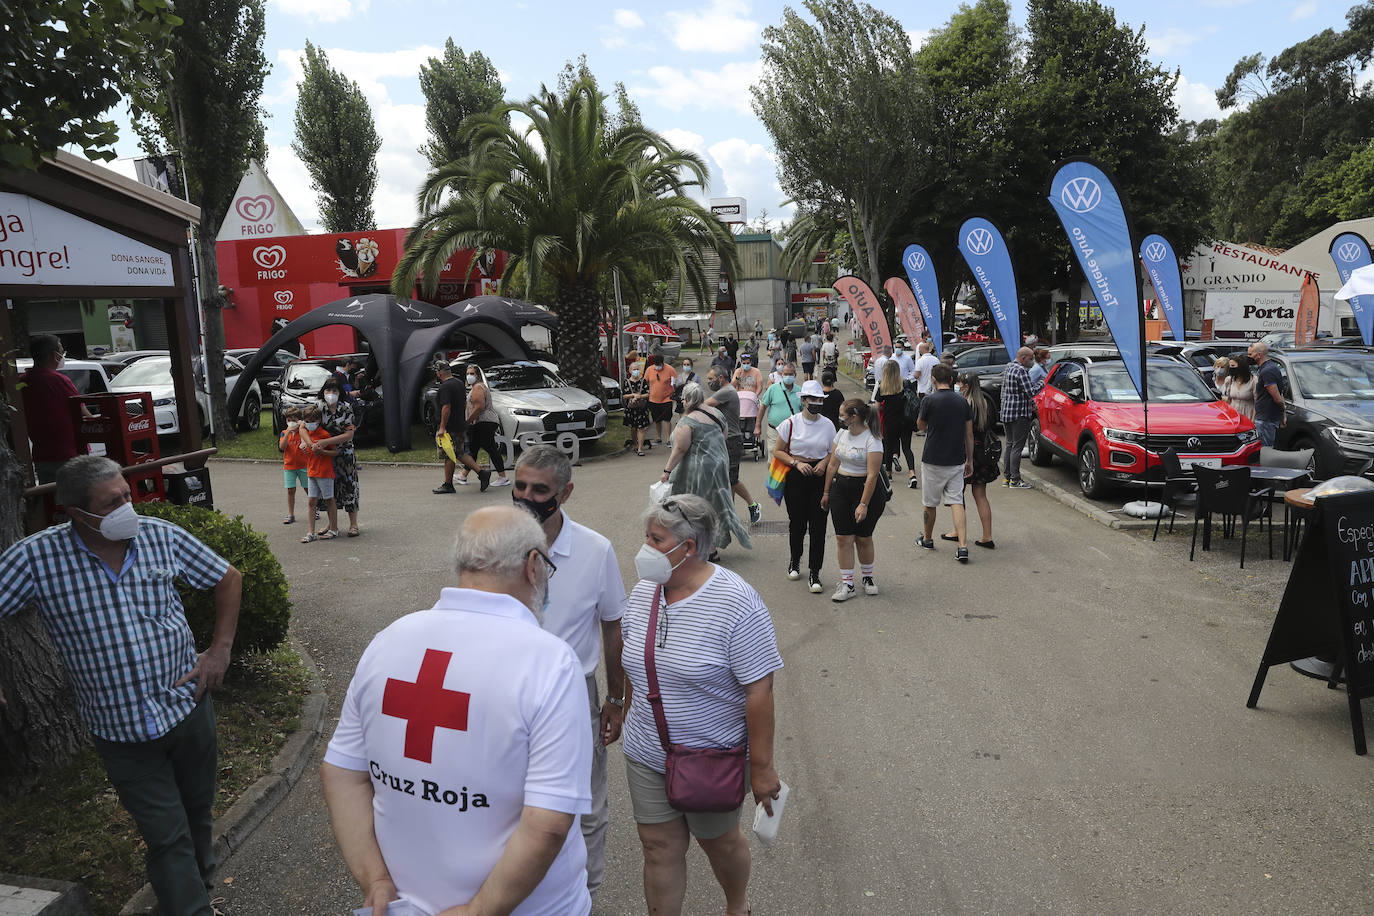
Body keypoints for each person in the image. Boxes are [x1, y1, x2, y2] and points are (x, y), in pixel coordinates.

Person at [322, 506, 593, 916]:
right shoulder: (549, 661)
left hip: (403, 904)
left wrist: (376, 880)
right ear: (534, 566)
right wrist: (478, 911)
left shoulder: (390, 640)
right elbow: (549, 820)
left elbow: (342, 771)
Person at [0, 455, 241, 915]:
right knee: (166, 834)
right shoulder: (37, 558)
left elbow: (228, 577)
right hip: (121, 729)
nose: (128, 508)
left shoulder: (158, 536)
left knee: (197, 814)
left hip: (188, 708)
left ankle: (200, 884)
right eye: (113, 503)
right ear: (74, 512)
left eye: (126, 495)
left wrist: (220, 650)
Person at [620, 495, 782, 916]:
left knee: (719, 843)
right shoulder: (644, 592)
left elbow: (759, 691)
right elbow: (636, 661)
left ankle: (737, 905)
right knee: (658, 847)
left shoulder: (737, 603)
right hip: (647, 752)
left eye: (656, 540)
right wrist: (624, 708)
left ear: (688, 548)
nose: (645, 549)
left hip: (710, 756)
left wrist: (762, 768)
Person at [512, 446, 626, 899]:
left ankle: (585, 894)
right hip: (508, 690)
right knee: (513, 802)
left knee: (587, 805)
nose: (526, 496)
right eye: (520, 486)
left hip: (574, 695)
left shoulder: (596, 551)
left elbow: (613, 628)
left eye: (540, 489)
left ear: (566, 492)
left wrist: (615, 700)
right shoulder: (496, 545)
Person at [661, 383, 752, 556]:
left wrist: (667, 471)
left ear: (687, 400)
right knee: (713, 507)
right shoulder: (717, 413)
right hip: (719, 466)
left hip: (697, 471)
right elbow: (724, 436)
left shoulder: (687, 421)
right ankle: (711, 548)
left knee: (694, 508)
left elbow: (680, 449)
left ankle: (698, 548)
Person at [773, 379, 836, 593]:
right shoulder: (791, 423)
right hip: (796, 476)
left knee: (818, 527)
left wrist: (824, 463)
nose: (817, 402)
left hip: (820, 477)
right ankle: (794, 560)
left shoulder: (828, 424)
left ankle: (815, 572)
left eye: (820, 399)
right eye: (813, 399)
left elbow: (833, 452)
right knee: (797, 523)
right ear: (804, 400)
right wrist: (796, 463)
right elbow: (778, 451)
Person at [821, 398, 886, 601]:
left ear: (854, 417)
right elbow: (832, 465)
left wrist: (863, 504)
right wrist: (826, 492)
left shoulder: (872, 439)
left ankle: (867, 577)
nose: (840, 418)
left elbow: (872, 475)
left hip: (866, 491)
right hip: (841, 488)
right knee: (843, 538)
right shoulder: (841, 434)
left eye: (843, 415)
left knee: (863, 537)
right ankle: (847, 584)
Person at [916, 363, 975, 563]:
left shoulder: (929, 401)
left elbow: (921, 426)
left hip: (932, 458)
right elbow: (969, 434)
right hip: (956, 458)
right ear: (951, 380)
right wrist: (970, 459)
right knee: (956, 501)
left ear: (933, 380)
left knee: (930, 503)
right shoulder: (962, 402)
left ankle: (927, 538)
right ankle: (963, 546)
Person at [18, 334, 90, 483]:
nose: (63, 355)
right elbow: (83, 413)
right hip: (69, 455)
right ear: (54, 355)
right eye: (62, 351)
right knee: (74, 499)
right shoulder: (59, 380)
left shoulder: (22, 382)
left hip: (41, 456)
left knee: (50, 498)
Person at [946, 373, 998, 549]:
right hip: (983, 453)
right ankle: (987, 535)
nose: (958, 386)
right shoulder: (984, 403)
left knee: (957, 494)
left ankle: (958, 532)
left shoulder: (965, 404)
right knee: (981, 495)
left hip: (967, 453)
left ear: (966, 385)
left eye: (960, 383)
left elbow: (963, 431)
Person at [706, 366, 763, 525]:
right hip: (725, 439)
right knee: (727, 478)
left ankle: (753, 505)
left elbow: (704, 405)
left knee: (731, 478)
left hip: (731, 440)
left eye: (711, 379)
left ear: (721, 378)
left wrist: (689, 402)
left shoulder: (726, 391)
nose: (709, 382)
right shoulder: (728, 389)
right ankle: (729, 513)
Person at [312, 375, 364, 535]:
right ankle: (331, 524)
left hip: (344, 454)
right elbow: (306, 425)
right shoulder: (318, 407)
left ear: (339, 392)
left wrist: (327, 442)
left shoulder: (346, 408)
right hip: (325, 455)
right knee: (328, 490)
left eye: (334, 390)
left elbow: (349, 434)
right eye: (328, 390)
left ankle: (353, 524)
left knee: (349, 486)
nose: (330, 393)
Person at [430, 362, 490, 494]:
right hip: (460, 424)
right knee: (459, 453)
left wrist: (442, 427)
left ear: (439, 373)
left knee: (449, 455)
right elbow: (463, 404)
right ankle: (482, 473)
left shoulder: (445, 387)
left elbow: (446, 407)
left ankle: (448, 484)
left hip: (449, 427)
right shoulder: (458, 383)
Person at [999, 347, 1042, 489]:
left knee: (1010, 445)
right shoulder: (1021, 371)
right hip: (1019, 414)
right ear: (1024, 358)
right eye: (1031, 359)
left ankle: (1007, 478)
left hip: (1007, 412)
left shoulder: (1009, 367)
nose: (1032, 362)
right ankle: (1015, 480)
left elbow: (1010, 391)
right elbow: (1031, 391)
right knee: (1017, 446)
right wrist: (1043, 382)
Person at [462, 364, 511, 488]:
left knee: (490, 448)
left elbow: (479, 407)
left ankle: (503, 477)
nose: (469, 376)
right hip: (482, 422)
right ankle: (463, 475)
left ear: (478, 375)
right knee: (474, 448)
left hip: (484, 422)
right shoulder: (475, 388)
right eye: (468, 373)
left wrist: (467, 421)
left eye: (472, 373)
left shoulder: (478, 387)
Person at [300, 404, 340, 543]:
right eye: (307, 421)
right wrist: (306, 450)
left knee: (329, 500)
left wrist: (323, 452)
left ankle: (334, 529)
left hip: (325, 472)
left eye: (313, 421)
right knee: (312, 501)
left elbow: (335, 452)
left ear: (319, 420)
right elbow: (307, 450)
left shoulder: (324, 434)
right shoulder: (306, 435)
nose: (310, 424)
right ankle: (311, 532)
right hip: (312, 471)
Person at [874, 360, 917, 487]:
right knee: (907, 448)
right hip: (905, 421)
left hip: (890, 421)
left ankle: (888, 473)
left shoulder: (883, 387)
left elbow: (877, 407)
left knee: (888, 447)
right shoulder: (906, 384)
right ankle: (912, 474)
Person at [756, 362, 801, 460]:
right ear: (782, 374)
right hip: (774, 431)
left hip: (793, 433)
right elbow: (763, 407)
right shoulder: (773, 389)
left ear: (795, 375)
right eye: (785, 374)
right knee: (773, 457)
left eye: (790, 374)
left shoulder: (800, 391)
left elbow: (803, 412)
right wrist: (757, 426)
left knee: (791, 459)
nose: (788, 376)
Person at [1248, 341, 1286, 447]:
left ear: (1259, 355)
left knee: (1265, 450)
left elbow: (1277, 397)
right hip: (1264, 418)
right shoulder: (1267, 368)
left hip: (1266, 420)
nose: (1249, 357)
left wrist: (1283, 412)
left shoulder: (1268, 371)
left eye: (1250, 354)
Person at [278, 406, 308, 524]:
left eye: (294, 420)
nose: (291, 422)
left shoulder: (303, 431)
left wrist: (301, 427)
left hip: (303, 465)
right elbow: (282, 447)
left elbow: (306, 443)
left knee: (308, 489)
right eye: (289, 420)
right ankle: (291, 514)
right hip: (289, 466)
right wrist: (288, 433)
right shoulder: (284, 433)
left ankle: (314, 509)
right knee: (291, 490)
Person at [645, 353, 677, 445]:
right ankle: (658, 437)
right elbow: (645, 381)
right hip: (653, 399)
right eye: (656, 364)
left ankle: (668, 438)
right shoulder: (649, 370)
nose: (658, 366)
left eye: (659, 364)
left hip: (667, 399)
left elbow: (675, 382)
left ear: (663, 363)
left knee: (667, 419)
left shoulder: (670, 369)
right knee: (657, 419)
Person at [624, 363, 652, 455]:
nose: (636, 371)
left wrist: (639, 396)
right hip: (631, 409)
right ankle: (635, 444)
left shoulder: (643, 381)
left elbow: (648, 393)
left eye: (637, 369)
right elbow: (624, 395)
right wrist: (633, 395)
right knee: (633, 428)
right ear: (630, 371)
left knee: (641, 428)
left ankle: (640, 448)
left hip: (642, 408)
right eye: (634, 369)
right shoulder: (626, 382)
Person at [1223, 355, 1257, 421]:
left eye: (1233, 366)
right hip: (1233, 415)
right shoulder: (1229, 380)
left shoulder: (1254, 381)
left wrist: (1253, 420)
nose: (1231, 368)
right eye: (1230, 366)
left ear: (1241, 367)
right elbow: (1228, 399)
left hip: (1248, 414)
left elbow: (1257, 403)